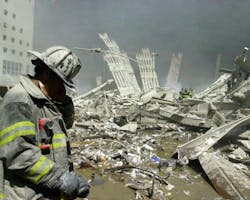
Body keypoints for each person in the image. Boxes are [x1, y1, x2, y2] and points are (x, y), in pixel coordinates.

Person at [0, 46, 90, 199]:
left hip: (46, 191)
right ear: (47, 74)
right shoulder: (20, 100)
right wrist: (60, 178)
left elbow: (67, 125)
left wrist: (65, 103)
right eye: (60, 82)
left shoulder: (46, 101)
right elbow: (18, 154)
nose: (62, 87)